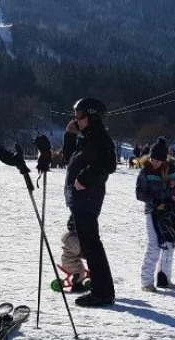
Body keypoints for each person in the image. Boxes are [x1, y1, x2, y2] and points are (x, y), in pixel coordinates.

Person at [64, 97, 117, 307]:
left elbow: (108, 164)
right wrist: (70, 135)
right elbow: (70, 159)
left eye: (80, 115)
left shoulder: (100, 138)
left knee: (92, 245)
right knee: (88, 244)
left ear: (93, 117)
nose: (76, 119)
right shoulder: (87, 137)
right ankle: (99, 287)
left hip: (88, 197)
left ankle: (102, 292)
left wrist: (84, 179)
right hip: (80, 198)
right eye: (75, 115)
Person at [136, 137, 175, 291]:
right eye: (152, 159)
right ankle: (146, 282)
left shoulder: (172, 169)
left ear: (164, 160)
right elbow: (139, 193)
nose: (154, 162)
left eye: (157, 161)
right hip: (153, 212)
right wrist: (154, 201)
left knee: (169, 245)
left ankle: (164, 279)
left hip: (170, 212)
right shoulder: (145, 171)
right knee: (154, 245)